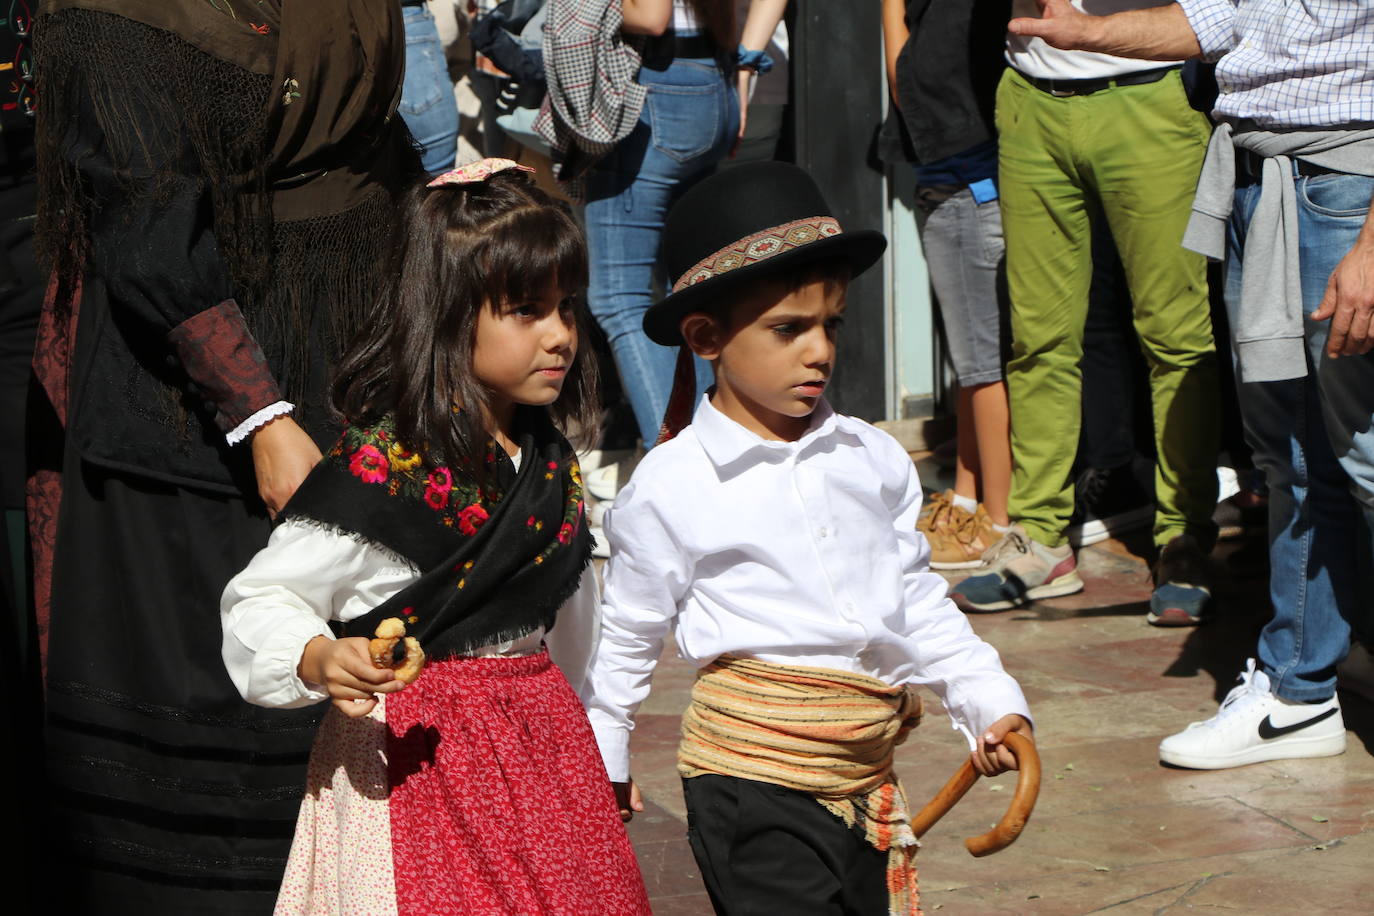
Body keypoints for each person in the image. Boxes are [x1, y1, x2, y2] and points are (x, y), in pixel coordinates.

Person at [30, 1, 422, 910]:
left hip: (346, 364)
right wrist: (257, 411)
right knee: (210, 718)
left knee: (342, 691)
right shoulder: (125, 10)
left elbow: (373, 141)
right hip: (184, 403)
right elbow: (143, 207)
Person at [581, 162, 1033, 914]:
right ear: (706, 337)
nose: (819, 351)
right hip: (748, 783)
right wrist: (609, 757)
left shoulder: (873, 458)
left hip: (861, 774)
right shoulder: (671, 485)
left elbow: (915, 599)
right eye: (788, 329)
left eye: (831, 325)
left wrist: (988, 700)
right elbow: (626, 639)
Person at [221, 160, 651, 914]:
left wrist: (590, 750)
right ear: (452, 315)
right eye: (526, 309)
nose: (559, 337)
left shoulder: (552, 469)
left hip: (545, 757)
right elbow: (261, 597)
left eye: (566, 308)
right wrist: (320, 655)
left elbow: (572, 631)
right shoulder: (376, 473)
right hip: (416, 760)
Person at [1008, 0, 1374, 768]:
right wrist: (1088, 34)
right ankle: (1298, 691)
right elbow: (1228, 15)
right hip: (1255, 174)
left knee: (1364, 458)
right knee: (1294, 459)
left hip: (1344, 188)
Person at [951, 0, 1221, 626]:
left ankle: (1183, 537)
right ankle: (1040, 536)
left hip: (1149, 91)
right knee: (1038, 338)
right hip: (1029, 94)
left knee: (1175, 336)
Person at [880, 0, 1015, 569]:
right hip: (954, 184)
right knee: (974, 358)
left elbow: (903, 84)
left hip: (970, 187)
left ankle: (999, 524)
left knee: (984, 365)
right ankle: (966, 497)